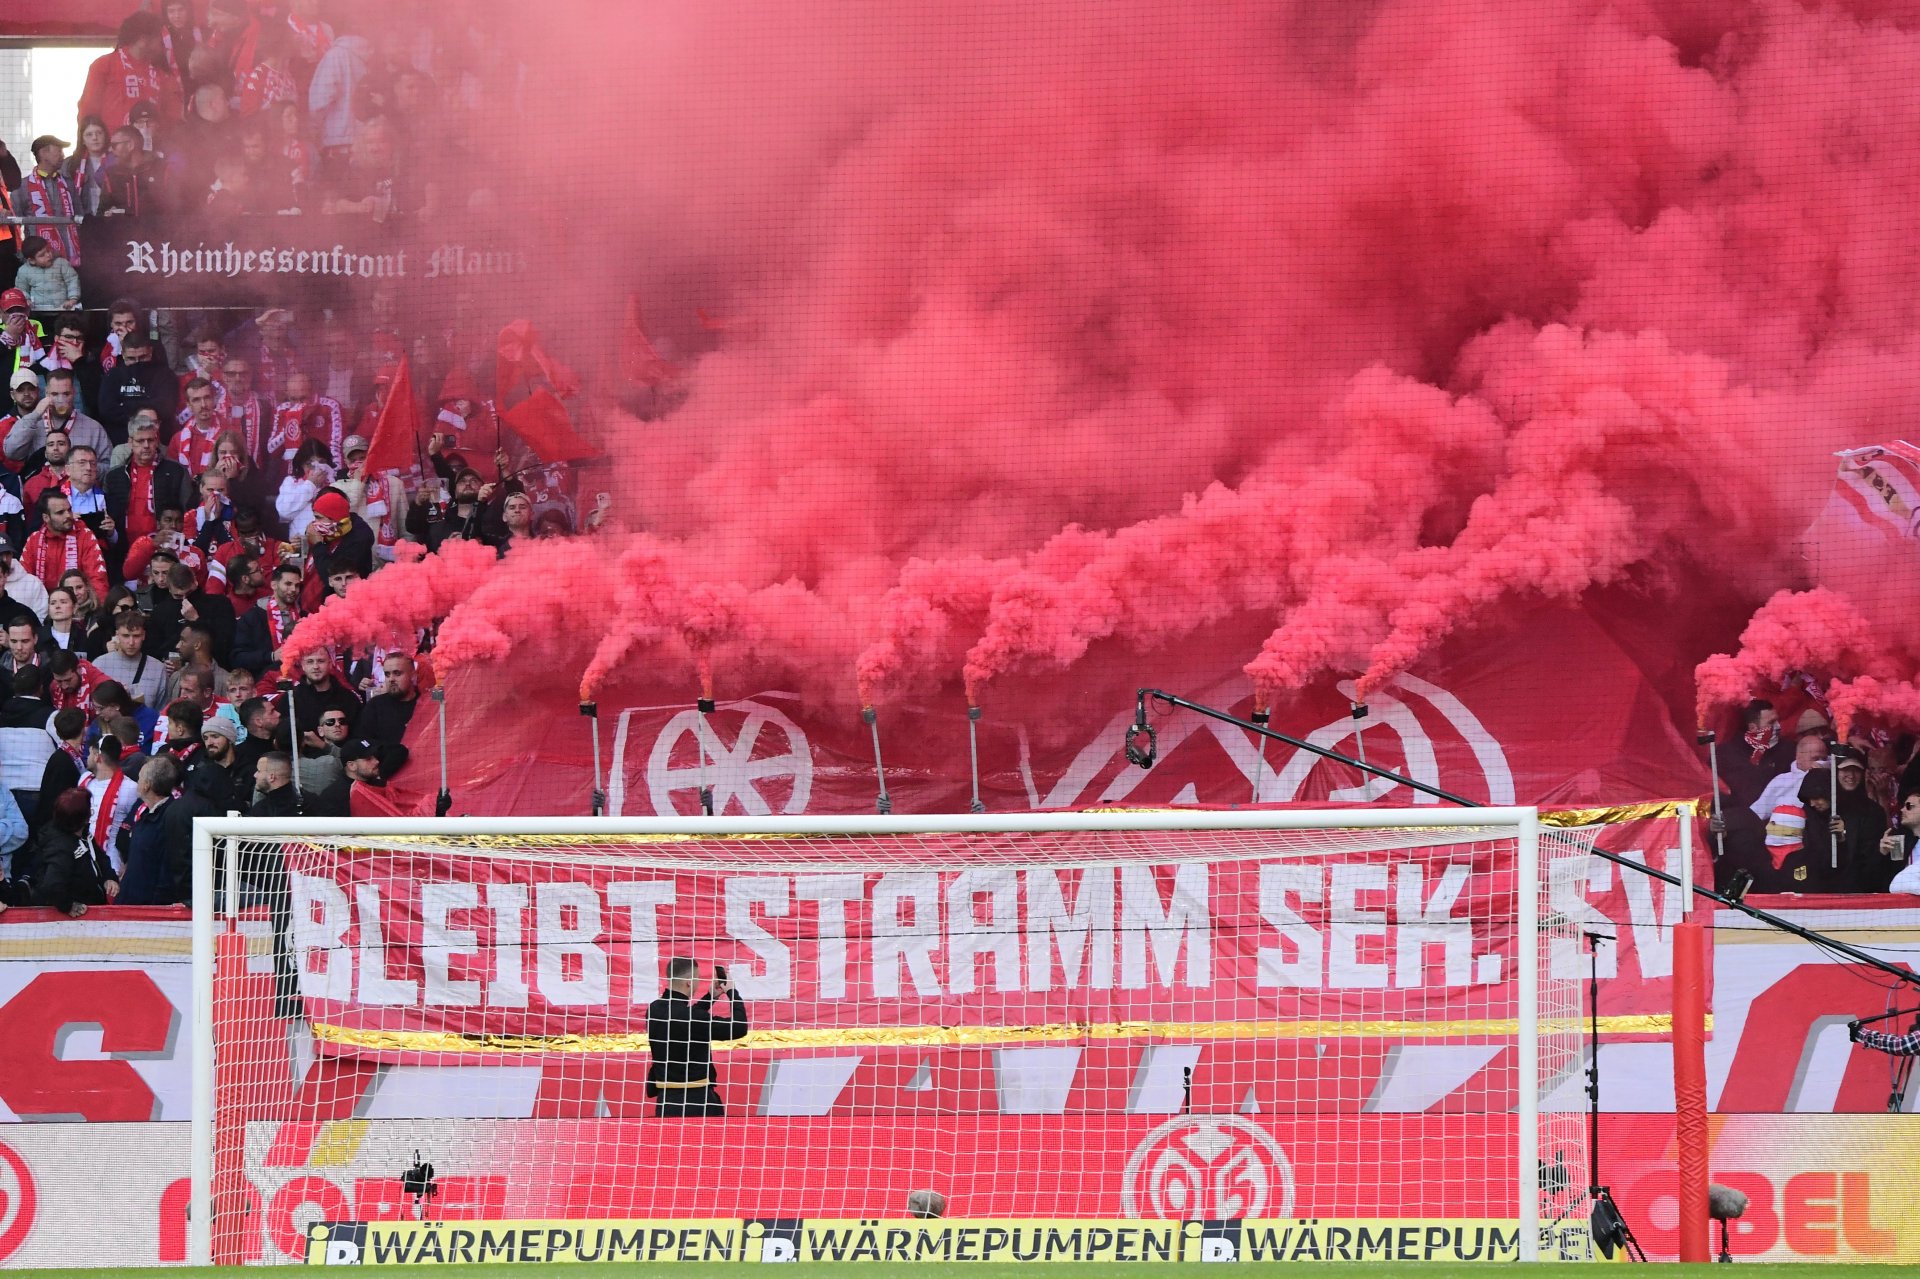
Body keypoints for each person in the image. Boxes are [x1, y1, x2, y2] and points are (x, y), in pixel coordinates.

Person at [645, 957, 749, 1117]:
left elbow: (683, 1019)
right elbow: (739, 1027)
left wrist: (710, 997)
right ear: (689, 982)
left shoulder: (654, 1010)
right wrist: (732, 992)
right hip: (698, 1102)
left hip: (665, 1103)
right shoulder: (691, 1018)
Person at [119, 754, 207, 905]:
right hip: (131, 903)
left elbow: (168, 869)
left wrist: (156, 908)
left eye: (139, 778)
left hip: (150, 911)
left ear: (146, 785)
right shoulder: (148, 813)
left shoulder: (170, 818)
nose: (137, 782)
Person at [15, 788, 116, 917]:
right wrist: (68, 906)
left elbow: (99, 857)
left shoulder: (83, 833)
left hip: (93, 909)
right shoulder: (60, 847)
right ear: (83, 818)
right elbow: (52, 884)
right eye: (89, 810)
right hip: (71, 921)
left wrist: (109, 877)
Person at [79, 12, 181, 132]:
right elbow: (88, 110)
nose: (162, 44)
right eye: (159, 38)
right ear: (143, 40)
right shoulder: (104, 65)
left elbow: (172, 118)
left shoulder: (162, 74)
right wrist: (86, 147)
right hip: (112, 147)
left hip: (152, 148)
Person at [106, 413, 194, 549]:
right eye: (140, 441)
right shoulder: (114, 476)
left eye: (150, 440)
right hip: (123, 549)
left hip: (165, 549)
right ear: (130, 443)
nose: (146, 445)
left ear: (157, 440)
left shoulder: (176, 471)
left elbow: (188, 512)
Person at [6, 368, 112, 461]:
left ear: (74, 393)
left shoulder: (93, 428)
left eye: (66, 394)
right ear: (46, 393)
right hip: (42, 483)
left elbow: (108, 465)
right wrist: (35, 414)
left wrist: (83, 468)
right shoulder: (33, 424)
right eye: (55, 394)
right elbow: (11, 453)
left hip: (78, 483)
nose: (61, 400)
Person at [22, 492, 109, 602]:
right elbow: (24, 582)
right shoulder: (34, 541)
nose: (68, 515)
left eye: (69, 510)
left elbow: (97, 579)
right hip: (44, 607)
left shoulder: (85, 536)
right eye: (60, 512)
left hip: (80, 607)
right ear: (46, 517)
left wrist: (98, 612)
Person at [10, 137, 83, 268]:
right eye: (59, 151)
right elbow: (14, 225)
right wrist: (22, 255)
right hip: (40, 263)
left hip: (71, 259)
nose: (63, 155)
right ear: (43, 153)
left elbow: (80, 217)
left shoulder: (68, 183)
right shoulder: (22, 186)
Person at [97, 338, 179, 442]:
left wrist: (126, 405)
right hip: (121, 443)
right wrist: (148, 405)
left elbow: (165, 408)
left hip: (157, 441)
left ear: (150, 352)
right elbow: (106, 411)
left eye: (142, 357)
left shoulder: (165, 374)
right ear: (123, 354)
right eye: (131, 358)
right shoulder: (113, 375)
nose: (137, 363)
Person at [0, 666, 55, 821]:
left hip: (5, 790)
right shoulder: (51, 717)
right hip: (35, 790)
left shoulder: (2, 716)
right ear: (41, 688)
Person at [232, 563, 302, 674]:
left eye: (297, 585)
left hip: (301, 681)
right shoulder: (252, 618)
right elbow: (238, 658)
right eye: (288, 584)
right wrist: (271, 656)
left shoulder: (304, 617)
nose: (293, 589)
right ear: (274, 585)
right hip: (266, 682)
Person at [84, 734, 138, 871]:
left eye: (90, 753)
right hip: (83, 861)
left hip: (112, 865)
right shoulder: (84, 781)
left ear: (97, 757)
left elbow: (135, 828)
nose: (87, 757)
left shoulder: (130, 788)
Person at [93, 613, 168, 710]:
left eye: (136, 636)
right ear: (117, 635)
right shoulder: (99, 665)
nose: (131, 642)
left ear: (143, 635)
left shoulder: (158, 668)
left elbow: (162, 711)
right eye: (126, 636)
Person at [1750, 732, 1831, 821]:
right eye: (1815, 759)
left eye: (1823, 759)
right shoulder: (1782, 781)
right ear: (1799, 757)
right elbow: (1757, 813)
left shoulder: (1832, 779)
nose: (1821, 763)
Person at [33, 708, 90, 830]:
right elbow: (54, 801)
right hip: (60, 829)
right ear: (83, 729)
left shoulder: (67, 755)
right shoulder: (61, 760)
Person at [358, 653, 421, 752]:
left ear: (413, 675)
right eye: (387, 674)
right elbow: (364, 742)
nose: (391, 679)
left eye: (397, 673)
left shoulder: (427, 703)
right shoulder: (375, 706)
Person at [12, 237, 81, 313]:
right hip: (38, 311)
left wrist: (73, 299)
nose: (48, 255)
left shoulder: (61, 263)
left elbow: (72, 280)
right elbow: (21, 289)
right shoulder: (24, 271)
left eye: (48, 250)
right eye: (42, 255)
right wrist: (26, 300)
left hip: (63, 308)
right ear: (32, 260)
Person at [0, 544, 49, 623]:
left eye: (8, 554)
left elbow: (41, 618)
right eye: (0, 555)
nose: (5, 559)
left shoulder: (32, 582)